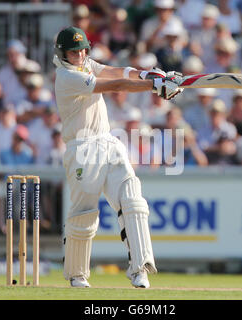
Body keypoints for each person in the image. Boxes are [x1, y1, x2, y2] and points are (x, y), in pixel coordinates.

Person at [53, 26, 183, 288]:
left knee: (133, 198)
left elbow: (119, 71)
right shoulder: (66, 76)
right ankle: (77, 274)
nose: (79, 56)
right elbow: (114, 85)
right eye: (73, 52)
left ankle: (140, 269)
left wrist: (147, 73)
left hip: (108, 141)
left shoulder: (87, 63)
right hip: (82, 148)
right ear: (63, 54)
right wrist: (153, 87)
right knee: (84, 214)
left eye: (82, 50)